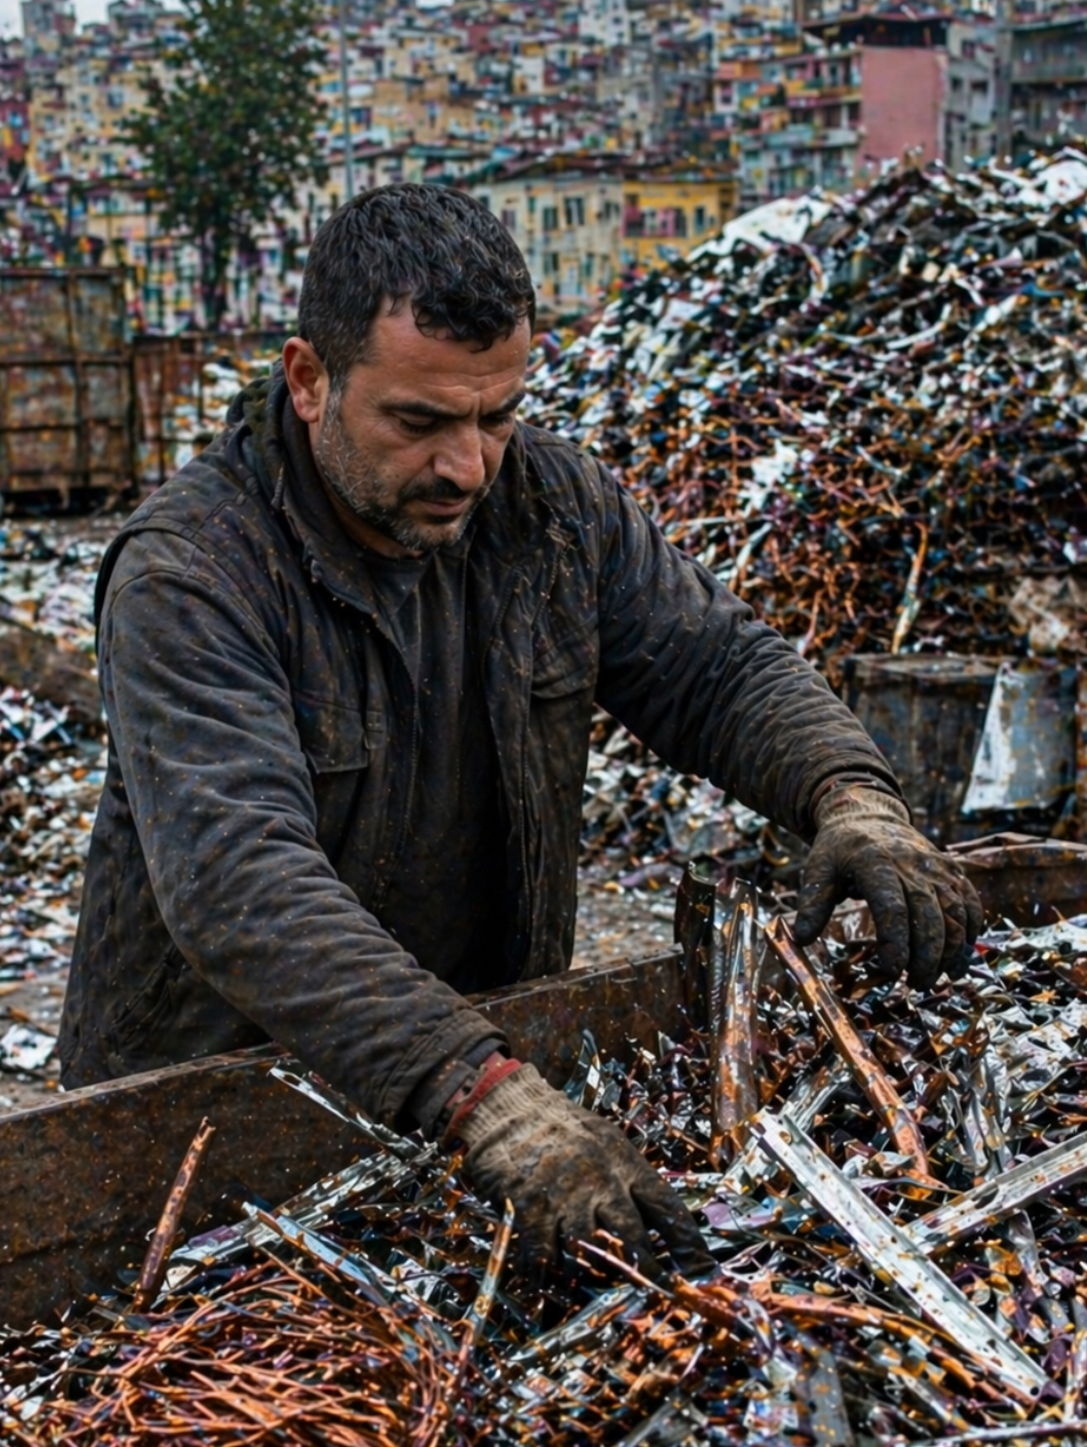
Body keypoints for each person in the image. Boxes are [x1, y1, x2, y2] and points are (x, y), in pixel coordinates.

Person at [59, 185, 982, 1278]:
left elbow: (715, 667)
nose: (469, 465)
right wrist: (487, 1101)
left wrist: (851, 796)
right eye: (420, 422)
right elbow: (240, 882)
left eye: (496, 415)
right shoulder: (192, 573)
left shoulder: (549, 507)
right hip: (207, 1120)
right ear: (309, 381)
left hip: (465, 1079)